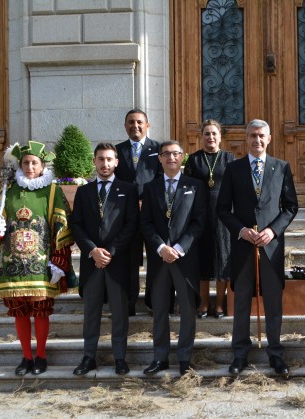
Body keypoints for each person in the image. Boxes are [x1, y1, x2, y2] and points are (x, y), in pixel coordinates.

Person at [0, 141, 76, 376]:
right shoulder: (9, 191)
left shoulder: (52, 191)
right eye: (25, 162)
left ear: (42, 165)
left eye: (34, 162)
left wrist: (59, 260)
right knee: (20, 311)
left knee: (41, 311)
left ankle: (41, 355)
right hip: (13, 263)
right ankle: (26, 356)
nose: (29, 166)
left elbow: (62, 225)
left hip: (41, 264)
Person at [217, 119, 299, 376]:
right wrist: (241, 230)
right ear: (246, 138)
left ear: (270, 138)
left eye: (261, 136)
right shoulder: (234, 169)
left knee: (273, 302)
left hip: (271, 247)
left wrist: (272, 230)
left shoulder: (281, 167)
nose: (257, 140)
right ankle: (239, 354)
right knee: (242, 301)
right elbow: (222, 209)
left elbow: (290, 207)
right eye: (252, 135)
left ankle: (275, 354)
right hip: (243, 247)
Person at [70, 143, 139, 376]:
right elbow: (76, 225)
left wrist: (109, 251)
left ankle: (120, 357)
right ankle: (89, 357)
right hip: (92, 263)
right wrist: (92, 251)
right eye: (101, 159)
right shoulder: (84, 192)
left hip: (117, 262)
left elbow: (131, 225)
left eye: (109, 159)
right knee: (91, 313)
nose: (105, 164)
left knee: (119, 313)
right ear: (94, 161)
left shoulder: (128, 189)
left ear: (116, 162)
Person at [141, 140, 207, 376]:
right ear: (159, 158)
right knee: (160, 310)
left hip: (184, 258)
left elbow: (199, 222)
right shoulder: (150, 187)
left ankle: (184, 358)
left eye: (176, 154)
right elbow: (146, 223)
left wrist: (179, 248)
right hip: (160, 259)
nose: (171, 158)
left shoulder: (196, 186)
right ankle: (160, 358)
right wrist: (161, 247)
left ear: (183, 157)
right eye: (166, 154)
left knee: (188, 310)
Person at [184, 119, 235, 318]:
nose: (210, 137)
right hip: (200, 213)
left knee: (223, 259)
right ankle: (204, 303)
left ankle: (220, 304)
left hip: (223, 214)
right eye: (207, 133)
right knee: (203, 259)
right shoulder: (194, 160)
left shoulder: (230, 159)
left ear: (220, 136)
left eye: (214, 133)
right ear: (201, 136)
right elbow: (187, 189)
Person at [114, 109, 162, 316]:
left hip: (153, 214)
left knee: (156, 260)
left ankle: (156, 304)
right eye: (131, 122)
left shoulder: (159, 149)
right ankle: (129, 305)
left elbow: (162, 179)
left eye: (139, 122)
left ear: (147, 125)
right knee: (129, 261)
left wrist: (147, 201)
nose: (135, 126)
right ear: (125, 126)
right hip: (127, 216)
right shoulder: (117, 150)